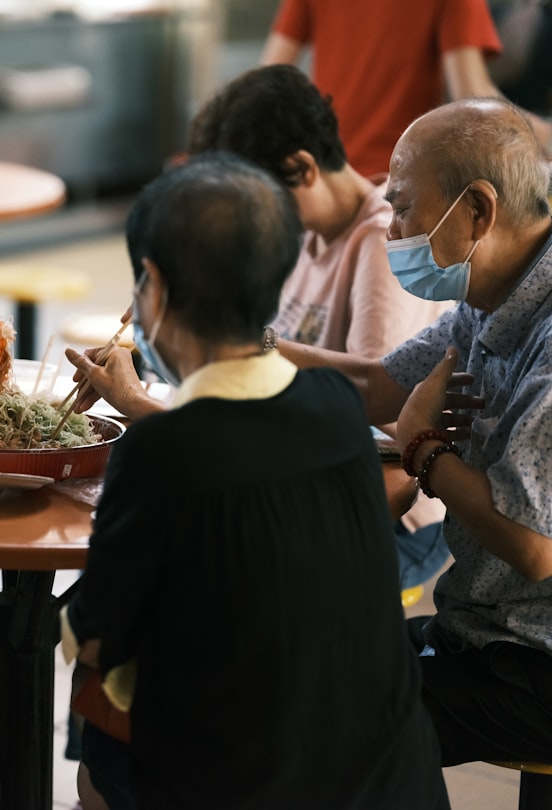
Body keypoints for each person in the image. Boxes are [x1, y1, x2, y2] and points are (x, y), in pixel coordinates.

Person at [60, 152, 449, 809]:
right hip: (389, 778)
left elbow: (98, 635)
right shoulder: (331, 402)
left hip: (243, 786)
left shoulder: (160, 449)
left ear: (150, 285)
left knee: (98, 738)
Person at [274, 96, 552, 768]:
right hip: (480, 631)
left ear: (478, 212)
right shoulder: (495, 295)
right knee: (281, 662)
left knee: (305, 727)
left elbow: (535, 545)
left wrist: (426, 452)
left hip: (532, 667)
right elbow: (378, 387)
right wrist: (240, 347)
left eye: (401, 205)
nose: (390, 226)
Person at [183, 64, 452, 589]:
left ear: (302, 168)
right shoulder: (309, 235)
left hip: (392, 515)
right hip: (322, 480)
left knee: (214, 575)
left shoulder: (378, 244)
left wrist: (244, 346)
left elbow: (370, 414)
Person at [261, 0, 552, 178]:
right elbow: (472, 97)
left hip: (326, 180)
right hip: (400, 188)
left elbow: (268, 80)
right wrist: (544, 135)